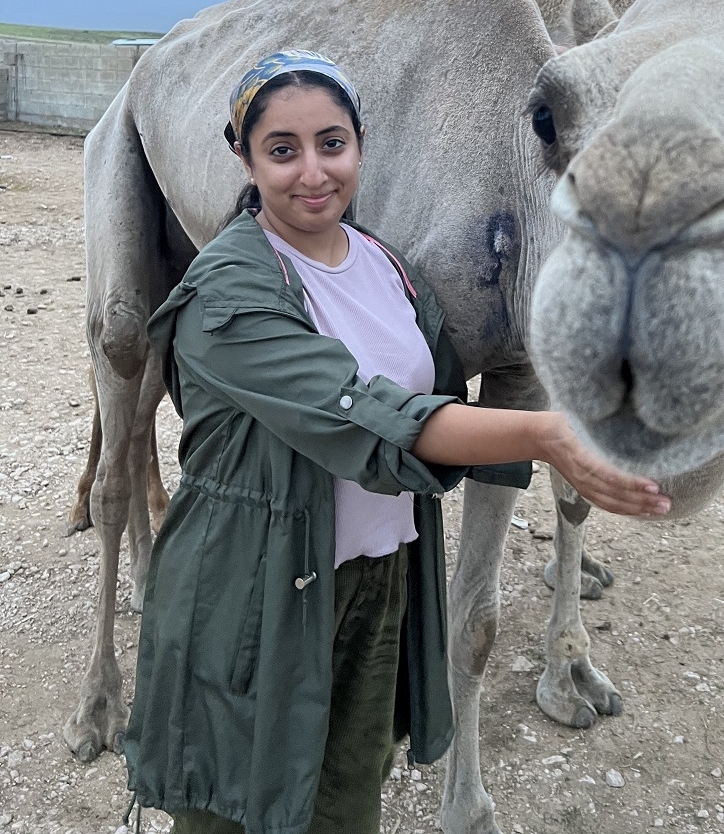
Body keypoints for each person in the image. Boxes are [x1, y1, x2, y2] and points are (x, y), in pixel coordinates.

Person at [123, 50, 670, 834]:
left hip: (377, 580)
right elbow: (369, 415)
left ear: (361, 144)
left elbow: (445, 396)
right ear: (243, 156)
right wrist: (551, 434)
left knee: (348, 796)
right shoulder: (228, 291)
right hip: (253, 585)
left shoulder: (386, 266)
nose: (312, 171)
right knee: (239, 800)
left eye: (331, 143)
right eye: (282, 149)